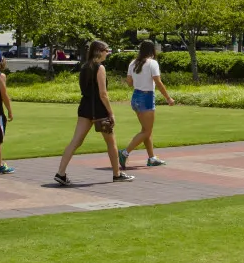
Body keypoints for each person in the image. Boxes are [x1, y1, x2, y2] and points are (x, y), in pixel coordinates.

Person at [55, 41, 133, 186]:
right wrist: (111, 112)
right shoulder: (100, 68)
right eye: (106, 50)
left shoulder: (84, 67)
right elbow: (103, 94)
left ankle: (61, 172)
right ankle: (117, 174)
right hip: (98, 108)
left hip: (85, 107)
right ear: (99, 51)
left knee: (75, 141)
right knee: (111, 142)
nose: (107, 53)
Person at [120, 39, 175, 170]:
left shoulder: (133, 62)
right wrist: (168, 98)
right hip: (147, 97)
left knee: (145, 130)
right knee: (147, 131)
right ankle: (125, 152)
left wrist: (139, 81)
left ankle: (152, 158)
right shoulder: (152, 63)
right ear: (152, 50)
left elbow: (129, 82)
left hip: (136, 96)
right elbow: (158, 82)